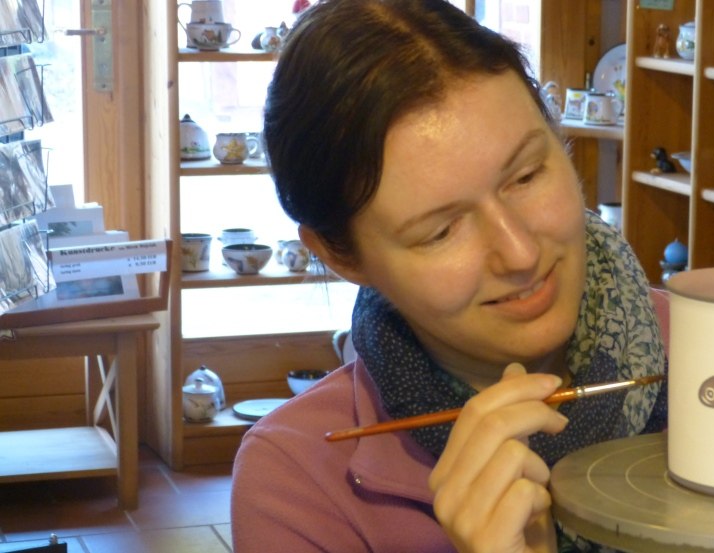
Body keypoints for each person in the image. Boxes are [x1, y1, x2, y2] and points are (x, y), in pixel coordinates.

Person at [231, 1, 667, 551]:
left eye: (528, 175)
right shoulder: (299, 480)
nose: (519, 253)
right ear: (343, 258)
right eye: (439, 232)